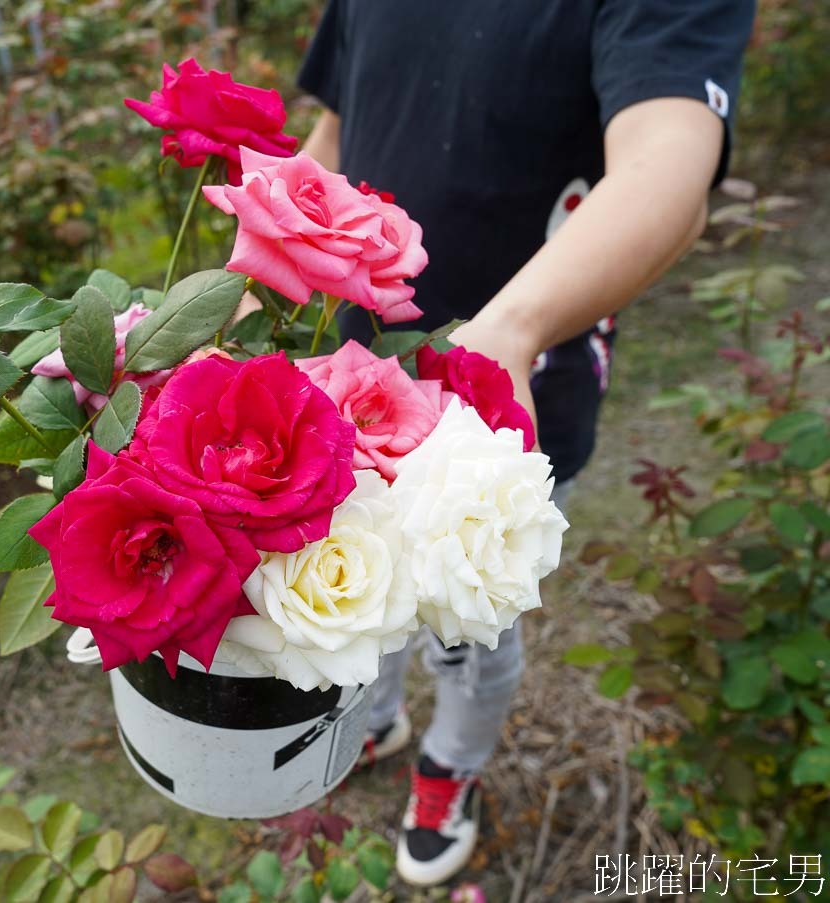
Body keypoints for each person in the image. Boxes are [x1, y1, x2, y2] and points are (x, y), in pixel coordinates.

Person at [296, 0, 756, 887]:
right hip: (351, 389)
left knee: (468, 622)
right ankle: (375, 715)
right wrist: (245, 287)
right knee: (350, 584)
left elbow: (670, 164)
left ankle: (450, 764)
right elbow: (333, 137)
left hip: (506, 407)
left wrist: (507, 331)